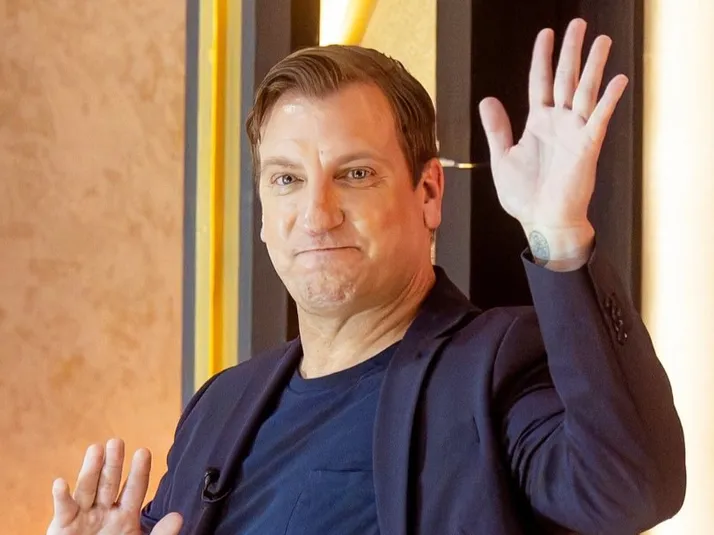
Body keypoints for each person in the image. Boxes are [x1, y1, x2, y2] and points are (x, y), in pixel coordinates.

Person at [46, 18, 686, 535]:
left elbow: (629, 489)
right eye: (287, 179)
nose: (317, 214)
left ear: (428, 193)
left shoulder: (495, 368)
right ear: (263, 213)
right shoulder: (219, 405)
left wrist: (561, 234)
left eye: (355, 174)